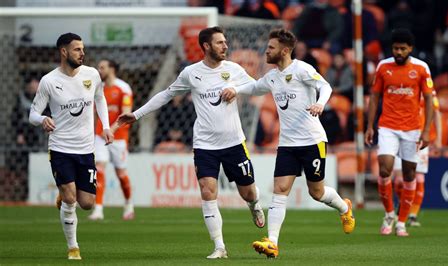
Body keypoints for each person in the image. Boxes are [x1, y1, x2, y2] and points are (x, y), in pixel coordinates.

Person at [115, 26, 265, 259]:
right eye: (220, 43)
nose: (225, 46)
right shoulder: (191, 73)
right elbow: (166, 94)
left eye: (225, 42)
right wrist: (137, 114)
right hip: (205, 144)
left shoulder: (233, 69)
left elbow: (257, 87)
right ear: (206, 46)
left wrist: (235, 87)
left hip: (234, 142)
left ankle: (254, 204)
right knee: (207, 190)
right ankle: (219, 247)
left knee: (247, 191)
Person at [221, 28, 355, 259]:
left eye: (271, 47)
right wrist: (235, 89)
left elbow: (326, 86)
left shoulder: (302, 69)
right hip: (287, 145)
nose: (266, 51)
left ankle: (344, 208)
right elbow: (254, 87)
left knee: (317, 192)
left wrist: (321, 104)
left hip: (312, 141)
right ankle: (272, 241)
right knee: (280, 190)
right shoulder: (272, 76)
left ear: (284, 50)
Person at [28, 33, 113, 260]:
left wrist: (105, 126)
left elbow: (100, 99)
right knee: (71, 198)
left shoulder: (92, 75)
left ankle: (64, 194)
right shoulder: (49, 81)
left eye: (82, 49)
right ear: (64, 52)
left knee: (87, 203)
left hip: (86, 150)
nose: (82, 53)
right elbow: (33, 113)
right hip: (60, 148)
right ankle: (73, 248)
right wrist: (42, 120)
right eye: (77, 49)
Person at [365, 28, 433, 237]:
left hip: (412, 128)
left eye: (403, 49)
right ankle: (388, 214)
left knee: (409, 173)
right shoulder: (383, 66)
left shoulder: (421, 68)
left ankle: (402, 222)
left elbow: (429, 99)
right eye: (396, 48)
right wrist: (370, 126)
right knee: (385, 169)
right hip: (388, 126)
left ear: (410, 49)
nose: (399, 52)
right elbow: (375, 97)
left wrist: (426, 130)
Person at [88, 59, 134, 221]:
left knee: (121, 173)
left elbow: (126, 115)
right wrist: (92, 134)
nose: (99, 70)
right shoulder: (96, 88)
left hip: (119, 137)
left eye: (102, 67)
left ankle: (128, 203)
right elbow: (93, 114)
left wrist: (112, 130)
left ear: (112, 69)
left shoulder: (123, 88)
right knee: (99, 168)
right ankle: (98, 209)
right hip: (100, 136)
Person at [392, 90, 442, 227]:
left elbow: (436, 113)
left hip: (421, 138)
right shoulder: (403, 85)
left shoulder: (429, 90)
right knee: (399, 180)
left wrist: (438, 137)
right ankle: (402, 206)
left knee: (419, 178)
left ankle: (413, 215)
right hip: (401, 136)